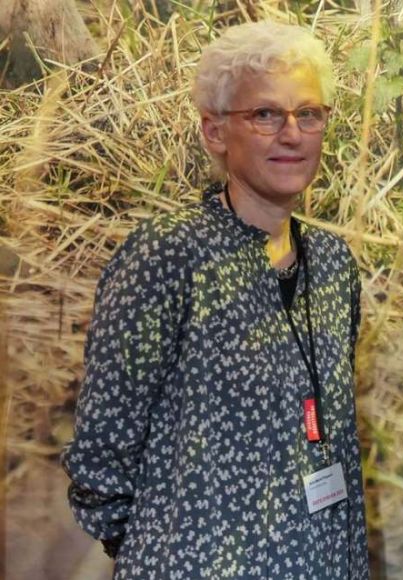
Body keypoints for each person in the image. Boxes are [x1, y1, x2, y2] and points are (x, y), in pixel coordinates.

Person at [61, 21, 369, 578]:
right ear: (214, 132)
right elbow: (103, 451)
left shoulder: (332, 263)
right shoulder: (168, 255)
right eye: (266, 114)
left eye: (309, 114)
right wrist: (175, 546)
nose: (293, 134)